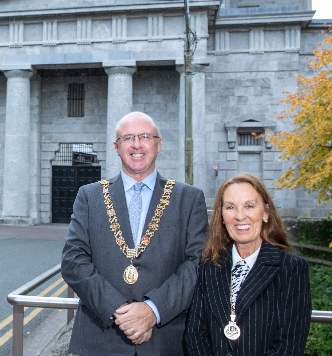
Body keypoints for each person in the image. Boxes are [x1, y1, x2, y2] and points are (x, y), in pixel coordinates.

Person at [62, 111, 208, 355]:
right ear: (116, 147)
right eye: (128, 138)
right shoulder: (89, 196)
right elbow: (73, 261)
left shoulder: (189, 198)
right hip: (101, 339)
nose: (137, 145)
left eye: (145, 136)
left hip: (167, 341)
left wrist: (153, 310)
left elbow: (197, 264)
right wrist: (119, 310)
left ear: (159, 144)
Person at [184, 173, 311, 355]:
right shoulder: (209, 266)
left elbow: (289, 346)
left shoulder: (291, 269)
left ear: (266, 212)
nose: (240, 216)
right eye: (230, 207)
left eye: (249, 206)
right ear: (221, 215)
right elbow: (195, 334)